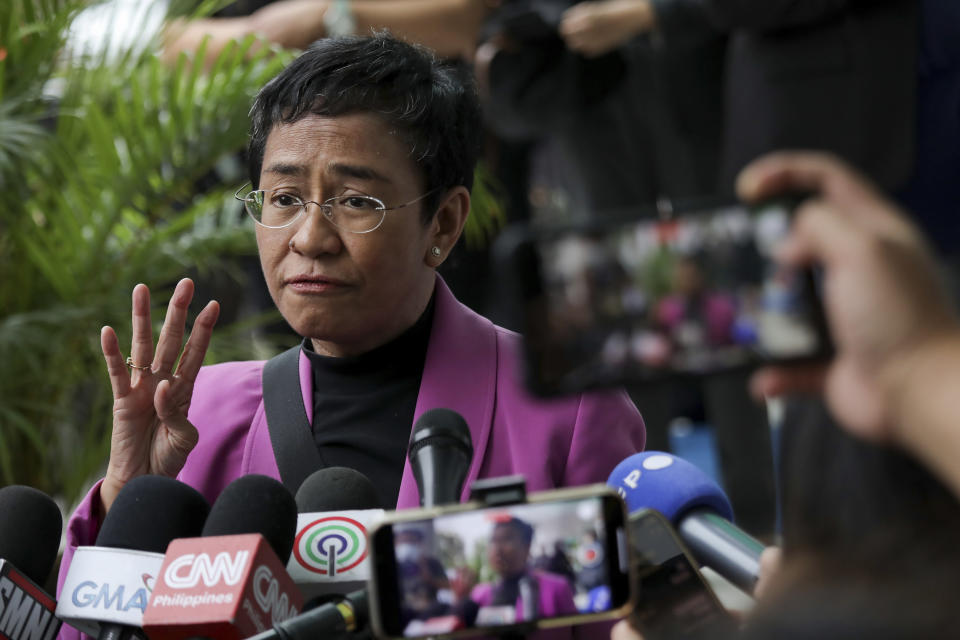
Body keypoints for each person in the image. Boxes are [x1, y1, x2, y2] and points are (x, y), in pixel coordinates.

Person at [56, 33, 645, 639]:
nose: (310, 238)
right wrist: (125, 492)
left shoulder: (566, 409)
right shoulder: (199, 414)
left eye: (356, 200)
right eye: (283, 198)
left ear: (442, 222)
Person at [469, 518, 578, 623]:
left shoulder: (557, 588)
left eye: (506, 539)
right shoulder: (479, 595)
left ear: (527, 546)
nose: (497, 549)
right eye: (493, 540)